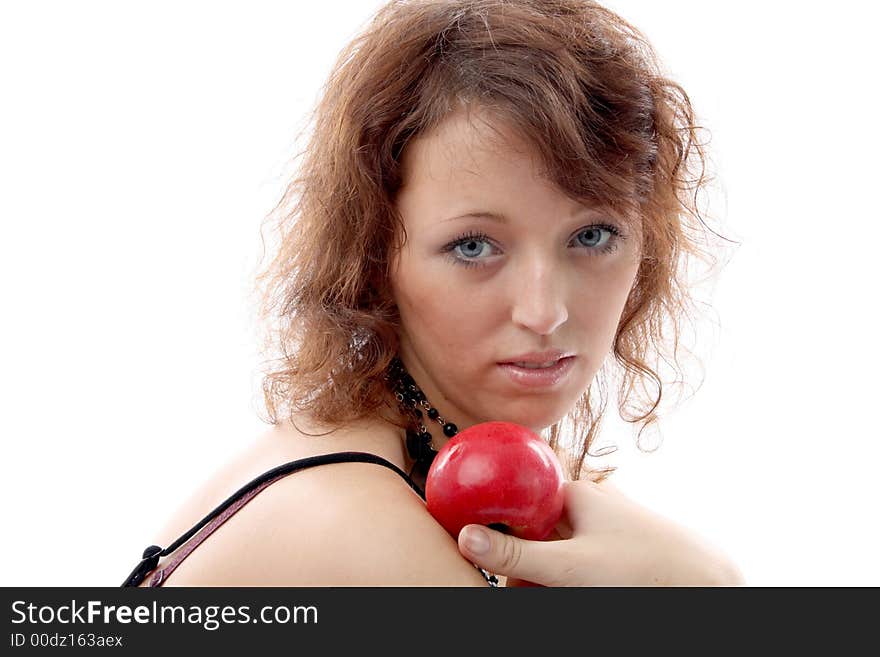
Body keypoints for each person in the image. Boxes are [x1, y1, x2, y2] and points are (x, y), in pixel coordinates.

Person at [122, 0, 743, 587]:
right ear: (372, 257)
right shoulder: (361, 526)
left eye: (593, 235)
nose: (545, 312)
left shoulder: (396, 456)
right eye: (473, 246)